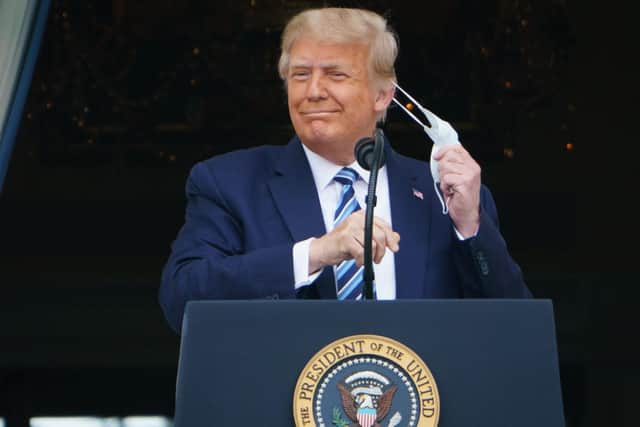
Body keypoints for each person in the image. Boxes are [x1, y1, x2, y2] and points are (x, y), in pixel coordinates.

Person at [159, 7, 531, 333]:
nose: (314, 91)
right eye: (301, 75)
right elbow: (183, 299)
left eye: (336, 75)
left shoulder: (445, 194)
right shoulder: (229, 182)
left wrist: (470, 227)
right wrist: (317, 253)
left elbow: (514, 330)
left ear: (383, 95)